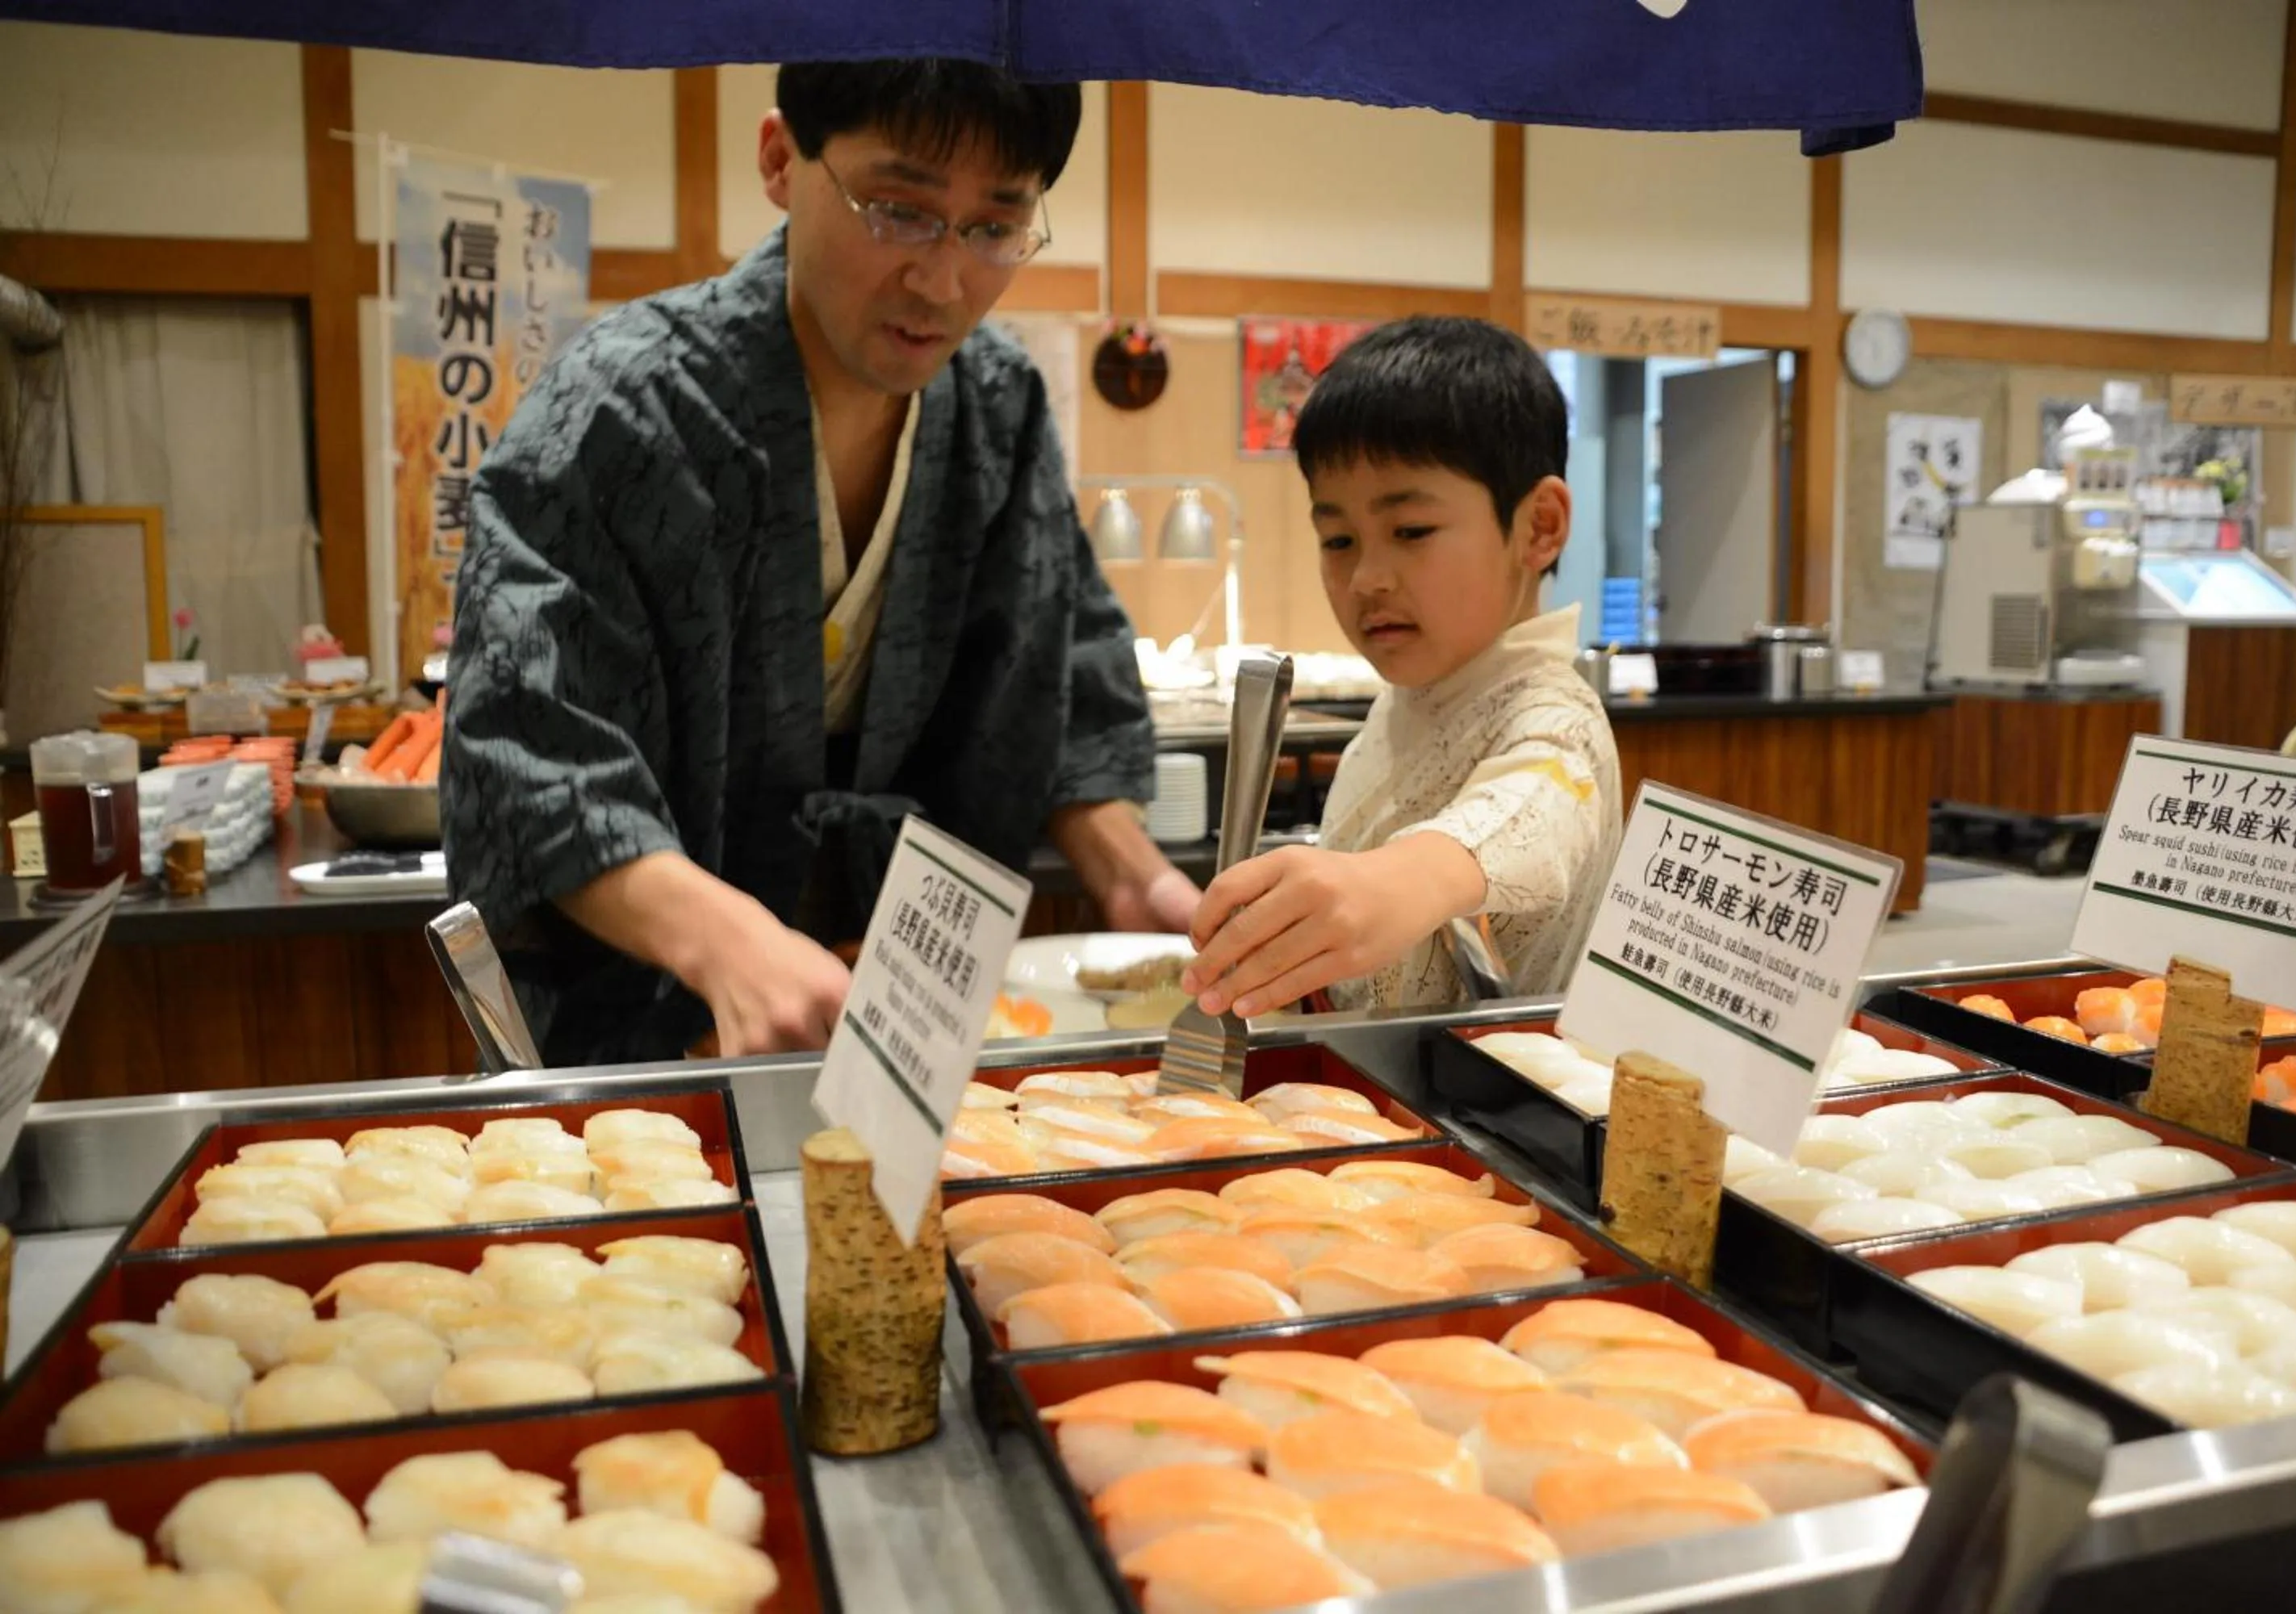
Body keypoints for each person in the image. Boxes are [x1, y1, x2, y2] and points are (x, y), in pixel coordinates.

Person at [443, 60, 1198, 1068]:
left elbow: (1050, 676)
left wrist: (1142, 882)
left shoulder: (999, 404)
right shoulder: (623, 406)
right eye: (899, 209)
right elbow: (525, 744)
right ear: (777, 160)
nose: (943, 279)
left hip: (905, 1009)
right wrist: (728, 941)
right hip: (657, 1015)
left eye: (993, 228)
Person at [1181, 316, 1622, 1015]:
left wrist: (1398, 881)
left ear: (1538, 527)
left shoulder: (1555, 718)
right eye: (1338, 539)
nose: (1366, 578)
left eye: (1410, 532)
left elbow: (1526, 823)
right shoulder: (1414, 694)